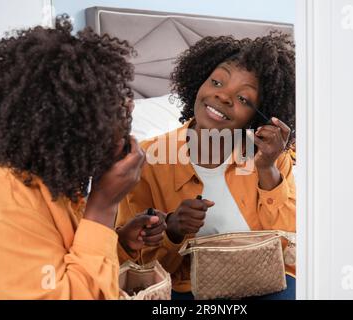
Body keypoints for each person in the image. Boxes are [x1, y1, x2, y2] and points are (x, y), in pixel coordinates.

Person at [0, 15, 166, 299]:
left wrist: (119, 242)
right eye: (111, 106)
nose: (128, 108)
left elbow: (59, 259)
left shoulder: (53, 178)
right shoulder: (0, 201)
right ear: (62, 125)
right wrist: (103, 206)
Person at [116, 32, 296, 299]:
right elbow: (135, 267)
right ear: (197, 82)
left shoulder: (273, 155)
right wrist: (174, 230)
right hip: (187, 291)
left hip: (266, 285)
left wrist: (267, 169)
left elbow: (289, 246)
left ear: (260, 115)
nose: (223, 97)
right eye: (216, 81)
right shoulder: (147, 159)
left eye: (244, 99)